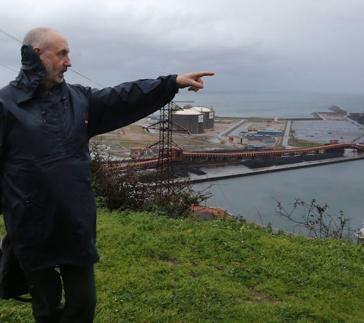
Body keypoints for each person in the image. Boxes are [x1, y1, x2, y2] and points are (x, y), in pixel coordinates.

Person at [0, 27, 214, 322]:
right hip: (30, 226)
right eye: (62, 53)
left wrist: (170, 83)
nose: (69, 61)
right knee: (46, 306)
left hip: (74, 221)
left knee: (84, 301)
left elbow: (123, 97)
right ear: (37, 54)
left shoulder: (78, 100)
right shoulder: (6, 104)